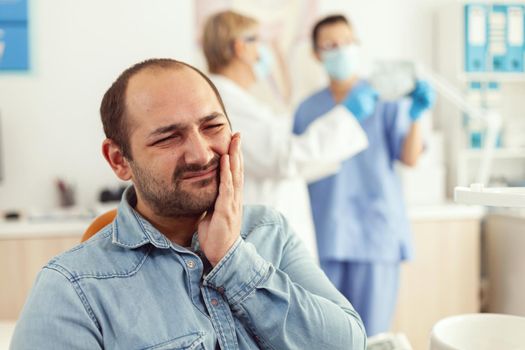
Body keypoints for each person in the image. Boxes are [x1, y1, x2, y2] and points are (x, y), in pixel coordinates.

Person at [11, 58, 366, 349]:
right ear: (119, 160)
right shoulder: (72, 288)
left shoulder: (269, 231)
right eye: (168, 138)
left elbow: (346, 345)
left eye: (212, 127)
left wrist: (233, 259)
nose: (201, 154)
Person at [293, 15, 435, 336]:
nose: (340, 50)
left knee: (372, 336)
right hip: (325, 234)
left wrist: (416, 116)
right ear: (316, 54)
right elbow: (296, 168)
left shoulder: (383, 97)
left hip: (376, 234)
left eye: (347, 42)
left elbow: (409, 157)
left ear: (357, 45)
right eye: (330, 45)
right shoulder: (307, 109)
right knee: (326, 334)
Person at [201, 10, 369, 260]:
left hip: (269, 236)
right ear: (240, 48)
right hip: (264, 242)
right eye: (259, 41)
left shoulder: (240, 101)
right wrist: (347, 117)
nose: (264, 50)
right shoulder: (227, 104)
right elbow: (283, 158)